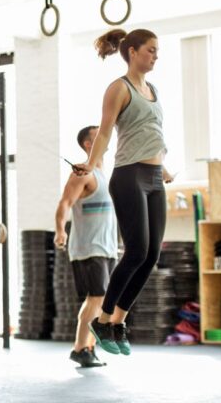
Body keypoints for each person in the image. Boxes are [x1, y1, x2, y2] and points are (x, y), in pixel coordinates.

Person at [74, 29, 174, 356]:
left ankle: (118, 321)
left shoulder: (153, 90)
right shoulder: (119, 88)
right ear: (132, 51)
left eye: (157, 50)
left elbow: (152, 132)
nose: (156, 55)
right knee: (135, 252)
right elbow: (104, 133)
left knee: (151, 255)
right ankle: (102, 320)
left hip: (154, 176)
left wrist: (163, 168)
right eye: (150, 50)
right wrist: (91, 164)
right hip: (129, 175)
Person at [55, 126, 119, 368]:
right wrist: (60, 230)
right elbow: (64, 203)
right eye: (98, 135)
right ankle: (81, 348)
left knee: (99, 300)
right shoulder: (82, 174)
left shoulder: (103, 175)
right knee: (97, 298)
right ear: (88, 144)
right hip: (89, 248)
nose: (106, 137)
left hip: (107, 248)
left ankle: (86, 348)